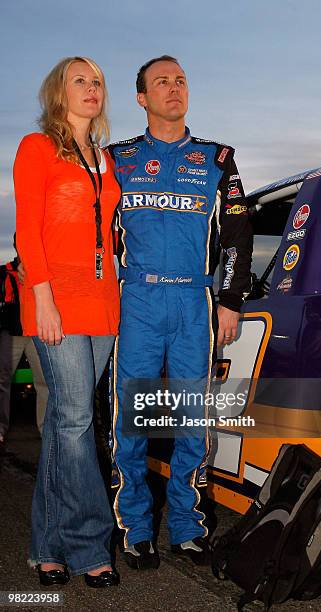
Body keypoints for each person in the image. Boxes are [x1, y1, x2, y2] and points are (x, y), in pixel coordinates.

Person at [109, 55, 253, 569]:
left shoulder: (217, 158)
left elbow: (238, 230)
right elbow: (98, 233)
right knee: (133, 419)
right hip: (138, 303)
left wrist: (231, 300)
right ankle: (136, 528)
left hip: (196, 302)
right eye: (161, 82)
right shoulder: (116, 159)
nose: (174, 89)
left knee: (193, 420)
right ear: (142, 98)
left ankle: (188, 527)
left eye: (181, 81)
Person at [13, 56, 120, 588]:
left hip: (103, 302)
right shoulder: (37, 148)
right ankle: (90, 545)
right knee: (77, 420)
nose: (91, 88)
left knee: (63, 426)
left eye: (97, 81)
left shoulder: (104, 157)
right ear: (58, 93)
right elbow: (27, 232)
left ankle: (46, 546)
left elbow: (108, 236)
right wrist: (43, 299)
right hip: (55, 299)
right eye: (80, 80)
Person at [0, 246, 48, 443]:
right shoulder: (5, 272)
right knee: (1, 379)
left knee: (45, 382)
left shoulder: (43, 269)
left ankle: (47, 431)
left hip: (38, 331)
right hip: (12, 332)